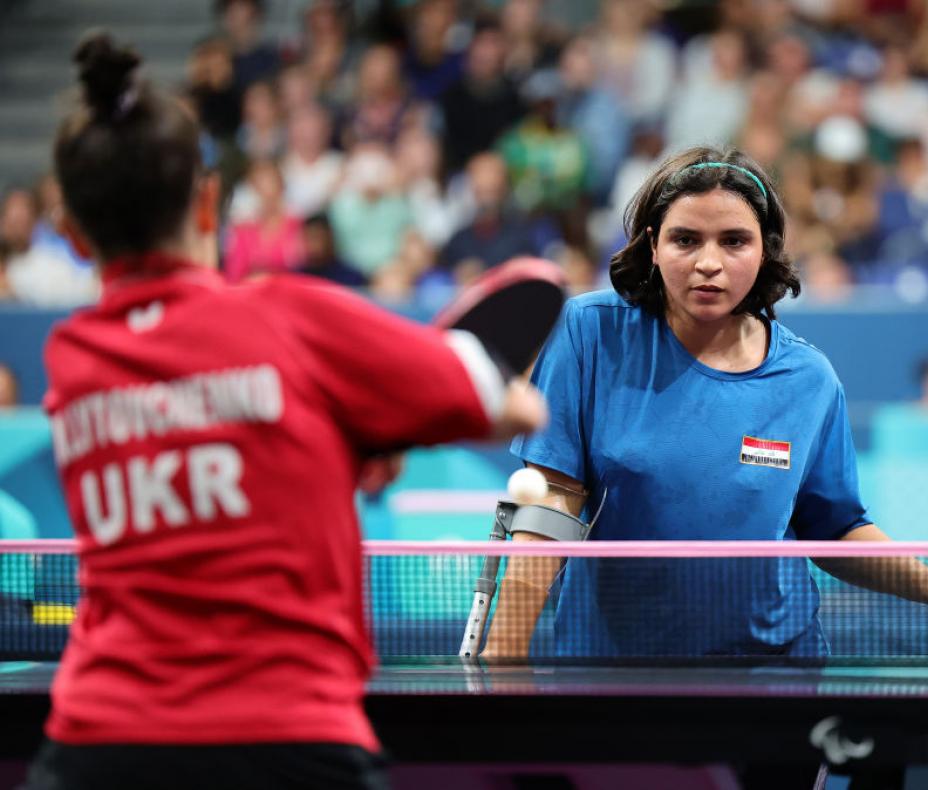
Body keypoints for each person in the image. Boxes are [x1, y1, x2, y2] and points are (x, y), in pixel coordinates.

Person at [23, 33, 546, 790]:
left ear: (70, 233)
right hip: (290, 739)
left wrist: (342, 435)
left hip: (98, 746)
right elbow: (510, 406)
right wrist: (375, 422)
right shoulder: (288, 317)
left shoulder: (74, 362)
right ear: (210, 202)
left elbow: (213, 431)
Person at [483, 146, 928, 663]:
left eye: (734, 241)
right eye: (685, 239)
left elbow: (836, 526)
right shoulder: (591, 332)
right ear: (654, 245)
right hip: (615, 663)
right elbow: (552, 501)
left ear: (764, 251)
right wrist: (506, 654)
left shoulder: (808, 378)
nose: (709, 263)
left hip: (771, 668)